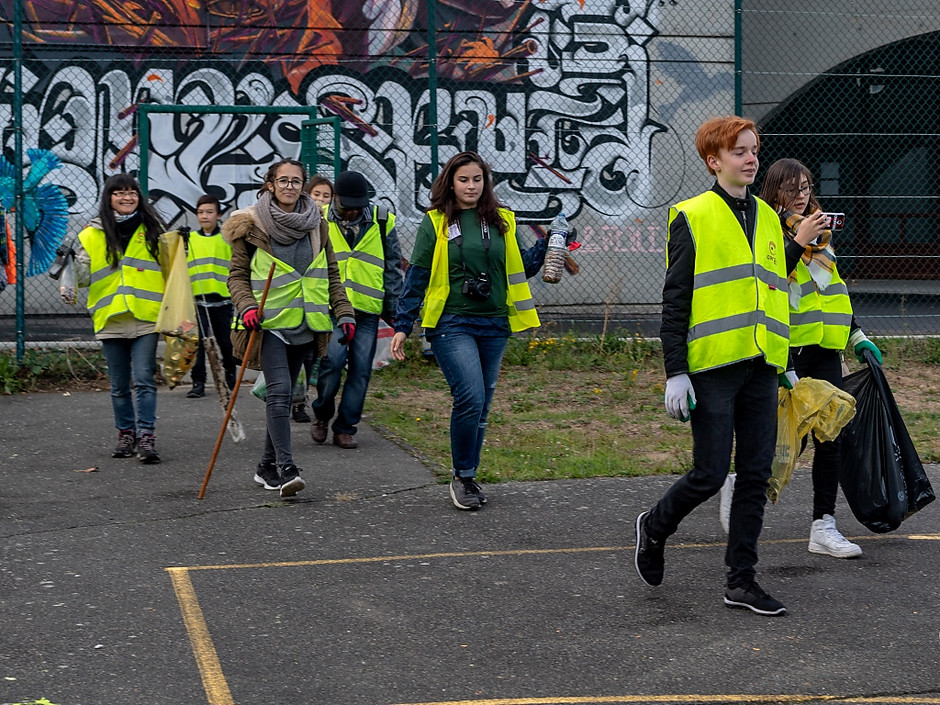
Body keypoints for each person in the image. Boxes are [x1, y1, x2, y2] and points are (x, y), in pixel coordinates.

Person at [634, 117, 801, 616]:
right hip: (713, 368)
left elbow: (776, 295)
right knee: (709, 474)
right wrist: (674, 371)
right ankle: (655, 526)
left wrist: (786, 361)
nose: (752, 159)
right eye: (740, 152)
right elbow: (675, 301)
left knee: (754, 474)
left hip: (761, 366)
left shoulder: (771, 219)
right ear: (715, 161)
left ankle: (741, 580)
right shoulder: (692, 215)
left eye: (754, 150)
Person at [390, 151, 546, 510]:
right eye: (464, 180)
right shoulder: (436, 222)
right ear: (451, 182)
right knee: (470, 397)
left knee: (483, 405)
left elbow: (518, 267)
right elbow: (417, 276)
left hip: (495, 322)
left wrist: (548, 245)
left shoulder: (502, 219)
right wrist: (403, 325)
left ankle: (469, 476)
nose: (471, 186)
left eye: (477, 179)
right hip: (452, 322)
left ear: (485, 183)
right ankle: (461, 475)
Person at [753, 157, 882, 558]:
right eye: (794, 188)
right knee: (783, 438)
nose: (803, 194)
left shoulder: (822, 238)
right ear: (775, 191)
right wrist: (798, 240)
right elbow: (770, 282)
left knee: (832, 434)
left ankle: (823, 526)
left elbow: (834, 288)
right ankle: (742, 485)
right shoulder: (766, 231)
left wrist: (857, 334)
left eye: (807, 186)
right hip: (787, 351)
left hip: (826, 348)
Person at [224, 158, 355, 497]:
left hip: (306, 323)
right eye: (282, 181)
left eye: (296, 182)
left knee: (286, 396)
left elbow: (331, 275)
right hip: (268, 324)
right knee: (280, 392)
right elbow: (236, 277)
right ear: (270, 184)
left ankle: (266, 466)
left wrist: (344, 313)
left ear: (303, 186)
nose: (289, 187)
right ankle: (287, 469)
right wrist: (247, 306)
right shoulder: (250, 225)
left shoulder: (317, 225)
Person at [73, 174, 169, 464]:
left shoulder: (153, 230)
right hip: (110, 317)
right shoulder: (90, 234)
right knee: (118, 385)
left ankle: (147, 437)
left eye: (132, 193)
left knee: (143, 379)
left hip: (145, 317)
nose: (127, 198)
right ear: (109, 197)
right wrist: (74, 264)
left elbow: (171, 269)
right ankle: (126, 434)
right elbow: (81, 280)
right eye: (119, 193)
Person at [310, 171, 403, 449]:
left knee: (361, 370)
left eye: (357, 205)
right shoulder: (318, 219)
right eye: (346, 204)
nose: (352, 211)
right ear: (335, 197)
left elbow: (393, 267)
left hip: (366, 309)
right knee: (332, 363)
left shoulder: (382, 219)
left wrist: (395, 310)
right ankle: (322, 415)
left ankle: (345, 427)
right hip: (333, 307)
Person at [184, 194, 237, 398]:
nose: (204, 216)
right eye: (200, 212)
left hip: (222, 300)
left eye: (209, 212)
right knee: (198, 344)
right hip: (198, 301)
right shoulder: (190, 239)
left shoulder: (227, 238)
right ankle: (198, 382)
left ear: (218, 215)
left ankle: (229, 375)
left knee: (225, 343)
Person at [292, 176, 334, 422]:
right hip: (298, 301)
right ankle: (297, 404)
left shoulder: (329, 226)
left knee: (316, 361)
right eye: (316, 194)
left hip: (321, 302)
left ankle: (316, 405)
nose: (321, 199)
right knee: (298, 361)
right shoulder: (300, 223)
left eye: (326, 195)